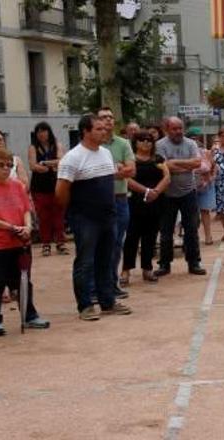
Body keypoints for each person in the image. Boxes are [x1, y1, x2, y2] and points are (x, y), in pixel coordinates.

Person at [56, 114, 132, 320]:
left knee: (106, 260)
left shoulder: (106, 154)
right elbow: (61, 191)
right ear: (85, 132)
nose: (104, 131)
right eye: (98, 129)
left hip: (108, 216)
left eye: (104, 128)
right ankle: (85, 306)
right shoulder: (72, 158)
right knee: (85, 262)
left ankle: (107, 301)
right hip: (85, 218)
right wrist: (74, 214)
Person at [0, 149, 50, 335]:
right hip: (0, 244)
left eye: (9, 165)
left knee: (23, 281)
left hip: (20, 242)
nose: (5, 169)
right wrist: (11, 227)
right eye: (0, 165)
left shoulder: (17, 186)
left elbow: (26, 210)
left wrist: (27, 227)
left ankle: (29, 315)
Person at [155, 117, 207, 277]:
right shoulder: (160, 145)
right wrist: (185, 164)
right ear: (166, 129)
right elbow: (163, 166)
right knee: (166, 231)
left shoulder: (191, 144)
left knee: (191, 229)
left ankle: (194, 262)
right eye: (174, 129)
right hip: (167, 194)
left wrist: (173, 163)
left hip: (188, 192)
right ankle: (164, 264)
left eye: (180, 128)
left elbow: (197, 163)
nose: (178, 131)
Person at [96, 107, 136, 299]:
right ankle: (96, 287)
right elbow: (94, 173)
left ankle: (111, 283)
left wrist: (113, 171)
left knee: (117, 243)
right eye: (104, 118)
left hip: (120, 199)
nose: (108, 121)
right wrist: (117, 169)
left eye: (111, 117)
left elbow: (131, 171)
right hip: (99, 201)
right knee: (99, 244)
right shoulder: (93, 145)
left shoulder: (123, 143)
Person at [122, 131, 170, 284]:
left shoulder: (158, 159)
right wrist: (146, 191)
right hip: (134, 203)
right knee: (131, 237)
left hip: (155, 203)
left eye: (149, 140)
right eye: (142, 140)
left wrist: (155, 192)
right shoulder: (130, 160)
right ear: (135, 143)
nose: (146, 143)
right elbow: (127, 179)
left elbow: (167, 177)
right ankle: (126, 270)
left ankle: (147, 269)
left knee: (150, 237)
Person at [27, 122, 68, 256]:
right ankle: (46, 244)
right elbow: (33, 166)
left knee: (58, 214)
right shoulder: (33, 147)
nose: (42, 134)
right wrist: (51, 165)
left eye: (44, 131)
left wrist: (44, 163)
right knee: (43, 216)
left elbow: (62, 161)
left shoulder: (57, 145)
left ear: (49, 132)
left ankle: (60, 243)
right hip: (39, 187)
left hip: (56, 184)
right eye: (39, 132)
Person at [197, 142, 216, 246]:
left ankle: (208, 236)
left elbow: (214, 166)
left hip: (205, 186)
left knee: (205, 211)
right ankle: (193, 236)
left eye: (196, 138)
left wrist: (211, 178)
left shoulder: (206, 153)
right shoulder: (187, 152)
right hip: (190, 186)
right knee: (192, 213)